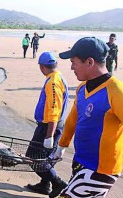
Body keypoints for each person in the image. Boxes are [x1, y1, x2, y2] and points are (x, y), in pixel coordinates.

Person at [54, 37, 123, 197]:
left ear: (90, 62)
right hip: (81, 161)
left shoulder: (116, 91)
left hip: (102, 168)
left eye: (74, 62)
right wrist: (61, 146)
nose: (71, 67)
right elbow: (72, 120)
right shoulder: (82, 88)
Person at [25, 52, 68, 197]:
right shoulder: (56, 77)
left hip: (48, 127)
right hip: (50, 125)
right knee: (44, 158)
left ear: (42, 67)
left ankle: (58, 183)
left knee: (33, 156)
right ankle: (45, 184)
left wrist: (49, 135)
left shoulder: (53, 82)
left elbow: (54, 110)